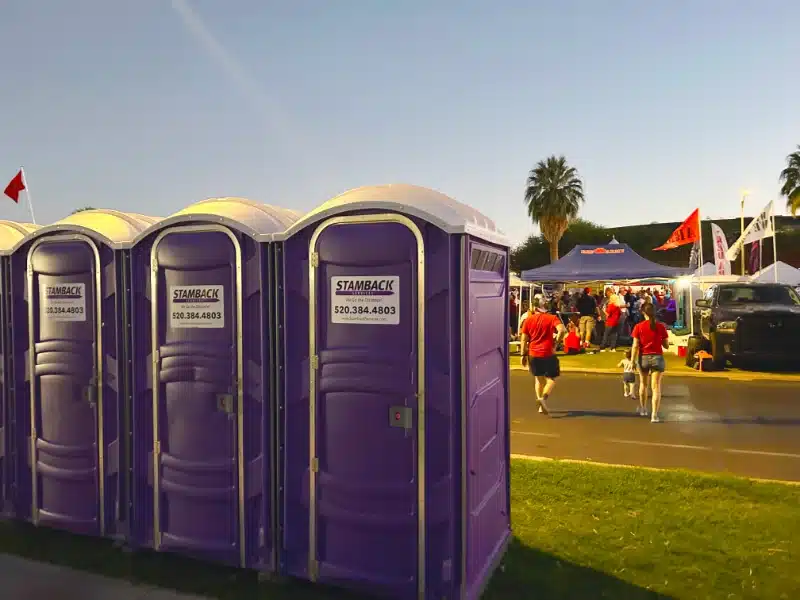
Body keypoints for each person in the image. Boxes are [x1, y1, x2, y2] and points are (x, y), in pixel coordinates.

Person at [520, 296, 567, 415]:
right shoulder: (552, 318)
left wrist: (523, 354)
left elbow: (524, 338)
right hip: (547, 352)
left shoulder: (528, 320)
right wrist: (556, 343)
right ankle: (543, 399)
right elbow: (562, 330)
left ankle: (540, 406)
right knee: (550, 379)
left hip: (533, 353)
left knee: (538, 379)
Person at [631, 302, 669, 422]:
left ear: (643, 313)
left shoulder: (638, 327)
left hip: (643, 358)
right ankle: (654, 415)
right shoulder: (661, 326)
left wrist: (632, 360)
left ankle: (643, 409)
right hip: (657, 357)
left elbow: (635, 345)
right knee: (656, 387)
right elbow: (666, 345)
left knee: (643, 384)